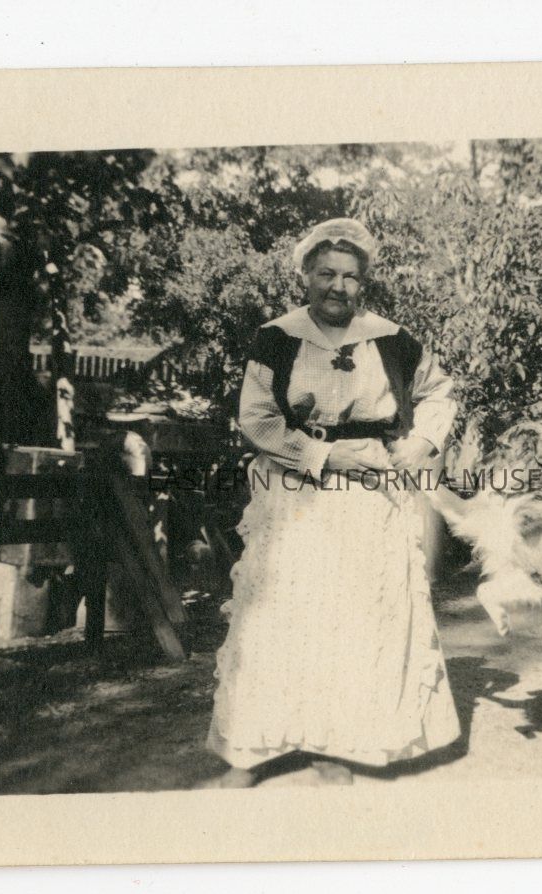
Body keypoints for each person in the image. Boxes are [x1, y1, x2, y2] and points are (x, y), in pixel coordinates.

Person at [203, 218, 461, 787]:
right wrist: (322, 457)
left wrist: (420, 442)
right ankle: (252, 747)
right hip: (294, 489)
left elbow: (439, 392)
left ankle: (337, 746)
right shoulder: (277, 337)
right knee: (280, 612)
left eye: (350, 277)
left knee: (353, 616)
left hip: (369, 491)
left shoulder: (392, 339)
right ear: (306, 276)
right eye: (326, 274)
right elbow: (257, 419)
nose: (338, 287)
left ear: (363, 282)